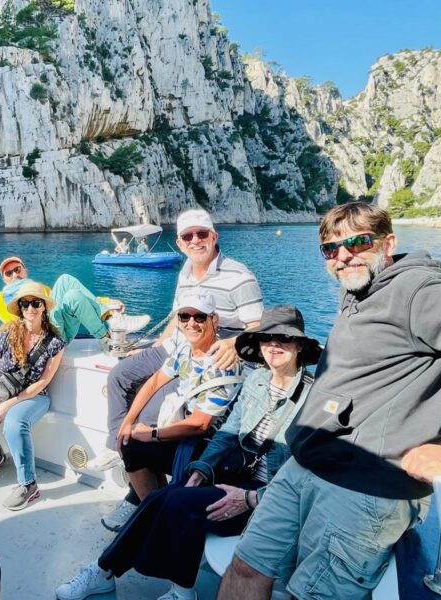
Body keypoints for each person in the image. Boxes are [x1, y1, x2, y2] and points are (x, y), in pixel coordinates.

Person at [218, 202, 441, 600]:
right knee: (245, 568)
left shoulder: (420, 290)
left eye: (358, 243)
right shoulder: (360, 291)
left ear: (387, 243)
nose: (343, 256)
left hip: (365, 488)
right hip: (305, 465)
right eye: (330, 248)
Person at [56, 306, 319, 600]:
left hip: (268, 497)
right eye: (267, 338)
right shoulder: (257, 382)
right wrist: (201, 469)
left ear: (299, 345)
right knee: (161, 497)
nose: (274, 345)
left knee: (179, 504)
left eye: (284, 338)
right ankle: (104, 572)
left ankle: (172, 589)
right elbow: (226, 434)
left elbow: (308, 474)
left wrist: (250, 498)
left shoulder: (314, 399)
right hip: (233, 474)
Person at [91, 208, 263, 531]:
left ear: (214, 237)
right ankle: (118, 445)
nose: (195, 240)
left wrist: (233, 345)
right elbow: (178, 318)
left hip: (215, 356)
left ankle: (137, 496)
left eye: (202, 234)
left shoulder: (240, 276)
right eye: (188, 236)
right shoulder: (185, 270)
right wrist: (158, 345)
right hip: (178, 346)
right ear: (180, 243)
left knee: (153, 413)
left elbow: (259, 328)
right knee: (120, 375)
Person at [116, 291, 241, 501]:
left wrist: (152, 434)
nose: (191, 323)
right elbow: (155, 381)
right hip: (189, 435)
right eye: (185, 317)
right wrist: (127, 422)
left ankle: (152, 512)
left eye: (200, 317)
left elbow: (200, 424)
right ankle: (156, 504)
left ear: (214, 320)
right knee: (128, 438)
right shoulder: (185, 350)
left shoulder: (221, 363)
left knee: (133, 448)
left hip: (211, 448)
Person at [0, 282, 66, 510]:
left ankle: (28, 484)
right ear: (19, 307)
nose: (30, 308)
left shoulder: (55, 343)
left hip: (33, 396)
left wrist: (9, 405)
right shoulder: (5, 334)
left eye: (35, 303)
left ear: (43, 307)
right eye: (25, 303)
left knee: (14, 424)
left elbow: (43, 381)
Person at [0, 256, 149, 350]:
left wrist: (106, 301)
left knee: (69, 289)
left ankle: (109, 327)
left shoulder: (40, 290)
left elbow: (72, 297)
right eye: (9, 273)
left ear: (25, 270)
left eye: (18, 269)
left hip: (58, 331)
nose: (15, 275)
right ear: (4, 279)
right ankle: (109, 329)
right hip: (41, 341)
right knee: (68, 286)